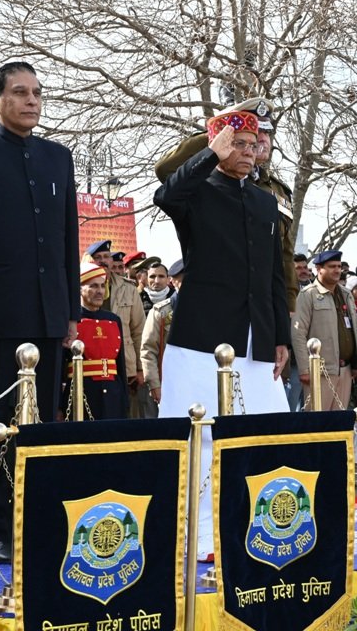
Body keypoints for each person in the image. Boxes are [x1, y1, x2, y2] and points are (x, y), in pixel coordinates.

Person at [153, 110, 289, 558]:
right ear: (220, 146)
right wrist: (210, 153)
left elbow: (274, 278)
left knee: (265, 435)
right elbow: (165, 194)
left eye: (255, 145)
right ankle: (194, 532)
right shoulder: (197, 193)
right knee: (200, 435)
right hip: (202, 339)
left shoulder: (267, 203)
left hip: (258, 339)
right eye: (239, 144)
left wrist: (281, 337)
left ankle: (261, 524)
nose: (249, 153)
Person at [0, 61, 79, 562]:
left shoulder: (58, 157)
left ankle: (37, 517)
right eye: (19, 92)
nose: (32, 101)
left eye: (37, 92)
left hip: (49, 313)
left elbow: (66, 238)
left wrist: (71, 311)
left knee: (42, 424)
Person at [155, 97, 298, 313]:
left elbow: (284, 254)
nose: (262, 140)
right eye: (254, 133)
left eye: (266, 132)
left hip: (265, 305)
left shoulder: (277, 191)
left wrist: (287, 306)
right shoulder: (212, 179)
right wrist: (217, 138)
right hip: (222, 299)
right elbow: (165, 171)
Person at [291, 250, 357, 411]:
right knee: (316, 425)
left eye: (339, 266)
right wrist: (304, 369)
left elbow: (353, 330)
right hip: (319, 372)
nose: (337, 270)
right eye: (331, 267)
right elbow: (298, 333)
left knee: (338, 425)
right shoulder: (308, 295)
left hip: (345, 370)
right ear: (318, 269)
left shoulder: (345, 294)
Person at [87, 240, 148, 418]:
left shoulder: (128, 289)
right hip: (91, 368)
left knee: (129, 419)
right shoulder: (78, 288)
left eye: (106, 257)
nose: (103, 261)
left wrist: (139, 368)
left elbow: (139, 332)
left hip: (125, 367)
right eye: (97, 257)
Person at [72, 263, 128, 419]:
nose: (100, 291)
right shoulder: (71, 320)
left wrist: (124, 398)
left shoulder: (113, 319)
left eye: (102, 286)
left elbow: (120, 364)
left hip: (113, 394)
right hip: (82, 393)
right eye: (93, 286)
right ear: (80, 289)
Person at [141, 260, 183, 408]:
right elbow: (148, 350)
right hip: (169, 381)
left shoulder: (207, 310)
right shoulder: (161, 312)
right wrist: (154, 384)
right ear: (172, 280)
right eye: (180, 278)